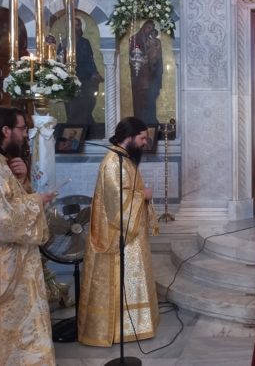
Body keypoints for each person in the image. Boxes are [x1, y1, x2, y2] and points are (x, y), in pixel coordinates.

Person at [78, 116, 160, 346]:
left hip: (131, 234)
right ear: (129, 137)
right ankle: (119, 329)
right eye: (142, 138)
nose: (145, 142)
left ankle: (135, 324)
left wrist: (140, 195)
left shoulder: (124, 159)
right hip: (121, 237)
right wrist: (143, 195)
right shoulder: (114, 162)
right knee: (121, 280)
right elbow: (117, 205)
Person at [0, 106, 56, 365]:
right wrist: (36, 201)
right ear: (6, 130)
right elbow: (1, 220)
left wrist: (22, 180)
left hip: (17, 261)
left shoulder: (0, 163)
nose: (25, 134)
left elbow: (10, 200)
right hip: (4, 264)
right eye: (21, 128)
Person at [65, 17, 104, 126]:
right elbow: (59, 60)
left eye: (77, 25)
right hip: (69, 83)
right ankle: (76, 130)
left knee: (85, 107)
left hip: (84, 81)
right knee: (73, 110)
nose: (75, 28)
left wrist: (95, 73)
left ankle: (85, 130)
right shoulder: (63, 43)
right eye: (73, 26)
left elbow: (89, 60)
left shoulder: (84, 42)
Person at [129, 20, 163, 125]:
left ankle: (151, 121)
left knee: (150, 98)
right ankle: (139, 122)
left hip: (150, 75)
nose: (150, 31)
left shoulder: (153, 41)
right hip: (140, 77)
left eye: (152, 29)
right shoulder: (135, 39)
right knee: (140, 100)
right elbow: (133, 56)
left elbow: (157, 58)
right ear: (143, 27)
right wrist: (142, 59)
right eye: (148, 28)